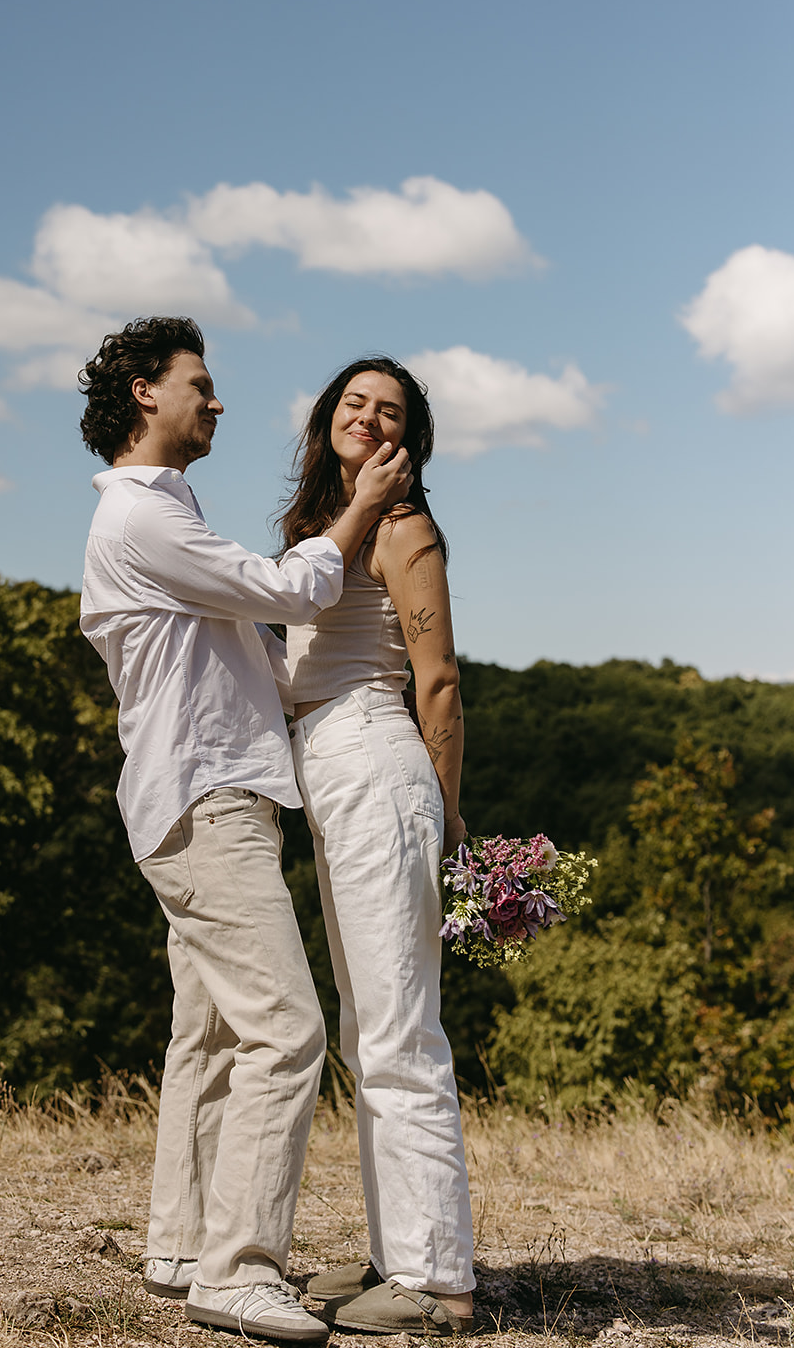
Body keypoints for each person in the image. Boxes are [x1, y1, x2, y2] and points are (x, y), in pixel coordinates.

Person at [77, 319, 411, 1344]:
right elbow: (286, 588)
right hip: (204, 801)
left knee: (214, 1030)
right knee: (288, 1029)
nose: (216, 401)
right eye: (201, 384)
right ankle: (240, 1267)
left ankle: (181, 1245)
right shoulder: (141, 520)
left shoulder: (168, 518)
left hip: (209, 795)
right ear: (144, 393)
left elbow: (255, 657)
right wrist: (358, 510)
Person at [279, 357, 476, 1337]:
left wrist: (446, 817)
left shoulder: (400, 529)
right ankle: (396, 1255)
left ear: (406, 442)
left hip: (375, 759)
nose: (367, 415)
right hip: (329, 767)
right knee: (368, 1031)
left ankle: (437, 1280)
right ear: (328, 421)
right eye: (353, 401)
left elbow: (436, 680)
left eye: (388, 410)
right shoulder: (329, 531)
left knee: (398, 1027)